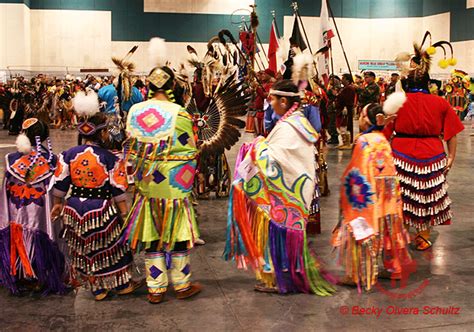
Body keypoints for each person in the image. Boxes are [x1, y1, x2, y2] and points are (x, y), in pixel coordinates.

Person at [224, 80, 335, 296]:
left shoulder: (289, 127)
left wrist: (255, 146)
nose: (270, 103)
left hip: (288, 193)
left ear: (284, 101)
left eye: (272, 99)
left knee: (281, 233)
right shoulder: (294, 121)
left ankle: (281, 279)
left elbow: (275, 162)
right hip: (295, 192)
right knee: (284, 235)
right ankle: (283, 275)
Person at [123, 66, 201, 304]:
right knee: (178, 231)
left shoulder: (135, 110)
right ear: (173, 86)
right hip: (175, 183)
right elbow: (190, 149)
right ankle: (181, 285)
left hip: (147, 182)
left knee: (152, 232)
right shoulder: (180, 113)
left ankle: (155, 288)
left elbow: (131, 148)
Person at [51, 105, 142, 301]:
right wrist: (125, 214)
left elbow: (60, 182)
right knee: (112, 246)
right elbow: (118, 189)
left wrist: (57, 204)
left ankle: (97, 289)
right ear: (102, 133)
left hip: (74, 208)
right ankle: (122, 284)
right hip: (100, 209)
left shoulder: (68, 154)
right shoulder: (109, 158)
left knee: (84, 247)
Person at [384, 36, 464, 250]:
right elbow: (452, 134)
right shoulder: (440, 102)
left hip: (401, 155)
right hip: (433, 155)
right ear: (429, 83)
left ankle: (402, 231)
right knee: (427, 195)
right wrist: (451, 158)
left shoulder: (397, 102)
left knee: (402, 194)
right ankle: (424, 235)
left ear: (406, 83)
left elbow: (384, 132)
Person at [332, 99, 412, 291]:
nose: (359, 119)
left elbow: (357, 171)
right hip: (389, 192)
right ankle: (395, 268)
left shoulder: (362, 140)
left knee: (363, 228)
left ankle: (360, 274)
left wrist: (347, 194)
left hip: (368, 194)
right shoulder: (383, 139)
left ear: (367, 120)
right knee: (388, 228)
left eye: (360, 116)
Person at [0, 118, 67, 295]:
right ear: (45, 135)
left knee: (19, 238)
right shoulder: (51, 160)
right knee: (39, 240)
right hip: (40, 213)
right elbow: (56, 191)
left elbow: (5, 189)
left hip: (16, 211)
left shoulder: (12, 160)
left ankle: (20, 274)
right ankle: (40, 277)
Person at [335, 73, 356, 148]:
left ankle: (347, 143)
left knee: (345, 125)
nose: (341, 80)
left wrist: (345, 108)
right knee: (342, 125)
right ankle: (345, 142)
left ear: (347, 80)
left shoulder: (349, 88)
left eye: (343, 78)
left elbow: (348, 100)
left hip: (345, 110)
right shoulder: (345, 88)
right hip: (342, 109)